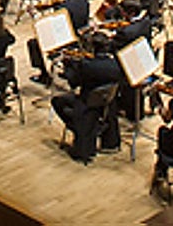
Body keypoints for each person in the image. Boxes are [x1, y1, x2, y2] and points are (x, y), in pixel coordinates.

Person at [51, 32, 122, 163]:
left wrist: (68, 65)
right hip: (107, 102)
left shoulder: (88, 65)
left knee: (57, 101)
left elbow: (73, 83)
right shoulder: (116, 63)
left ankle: (77, 127)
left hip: (87, 103)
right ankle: (108, 141)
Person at [27, 0, 89, 87]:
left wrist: (35, 15)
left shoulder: (64, 9)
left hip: (68, 40)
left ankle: (44, 75)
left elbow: (50, 26)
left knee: (33, 43)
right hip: (81, 37)